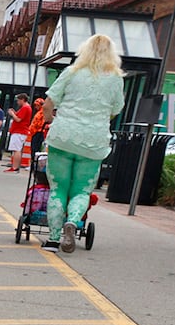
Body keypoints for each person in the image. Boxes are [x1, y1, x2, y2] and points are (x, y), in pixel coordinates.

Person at [40, 32, 124, 253]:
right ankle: (73, 221)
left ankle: (53, 239)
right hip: (94, 142)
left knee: (58, 188)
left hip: (63, 136)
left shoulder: (72, 72)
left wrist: (50, 120)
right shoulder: (116, 78)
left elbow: (48, 104)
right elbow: (115, 110)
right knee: (81, 191)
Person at [5, 94, 32, 171]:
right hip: (20, 131)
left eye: (18, 100)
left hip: (19, 131)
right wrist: (15, 113)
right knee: (16, 149)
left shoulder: (25, 108)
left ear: (23, 99)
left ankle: (15, 167)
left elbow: (18, 119)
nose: (17, 102)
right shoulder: (26, 108)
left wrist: (12, 114)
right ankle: (15, 166)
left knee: (16, 149)